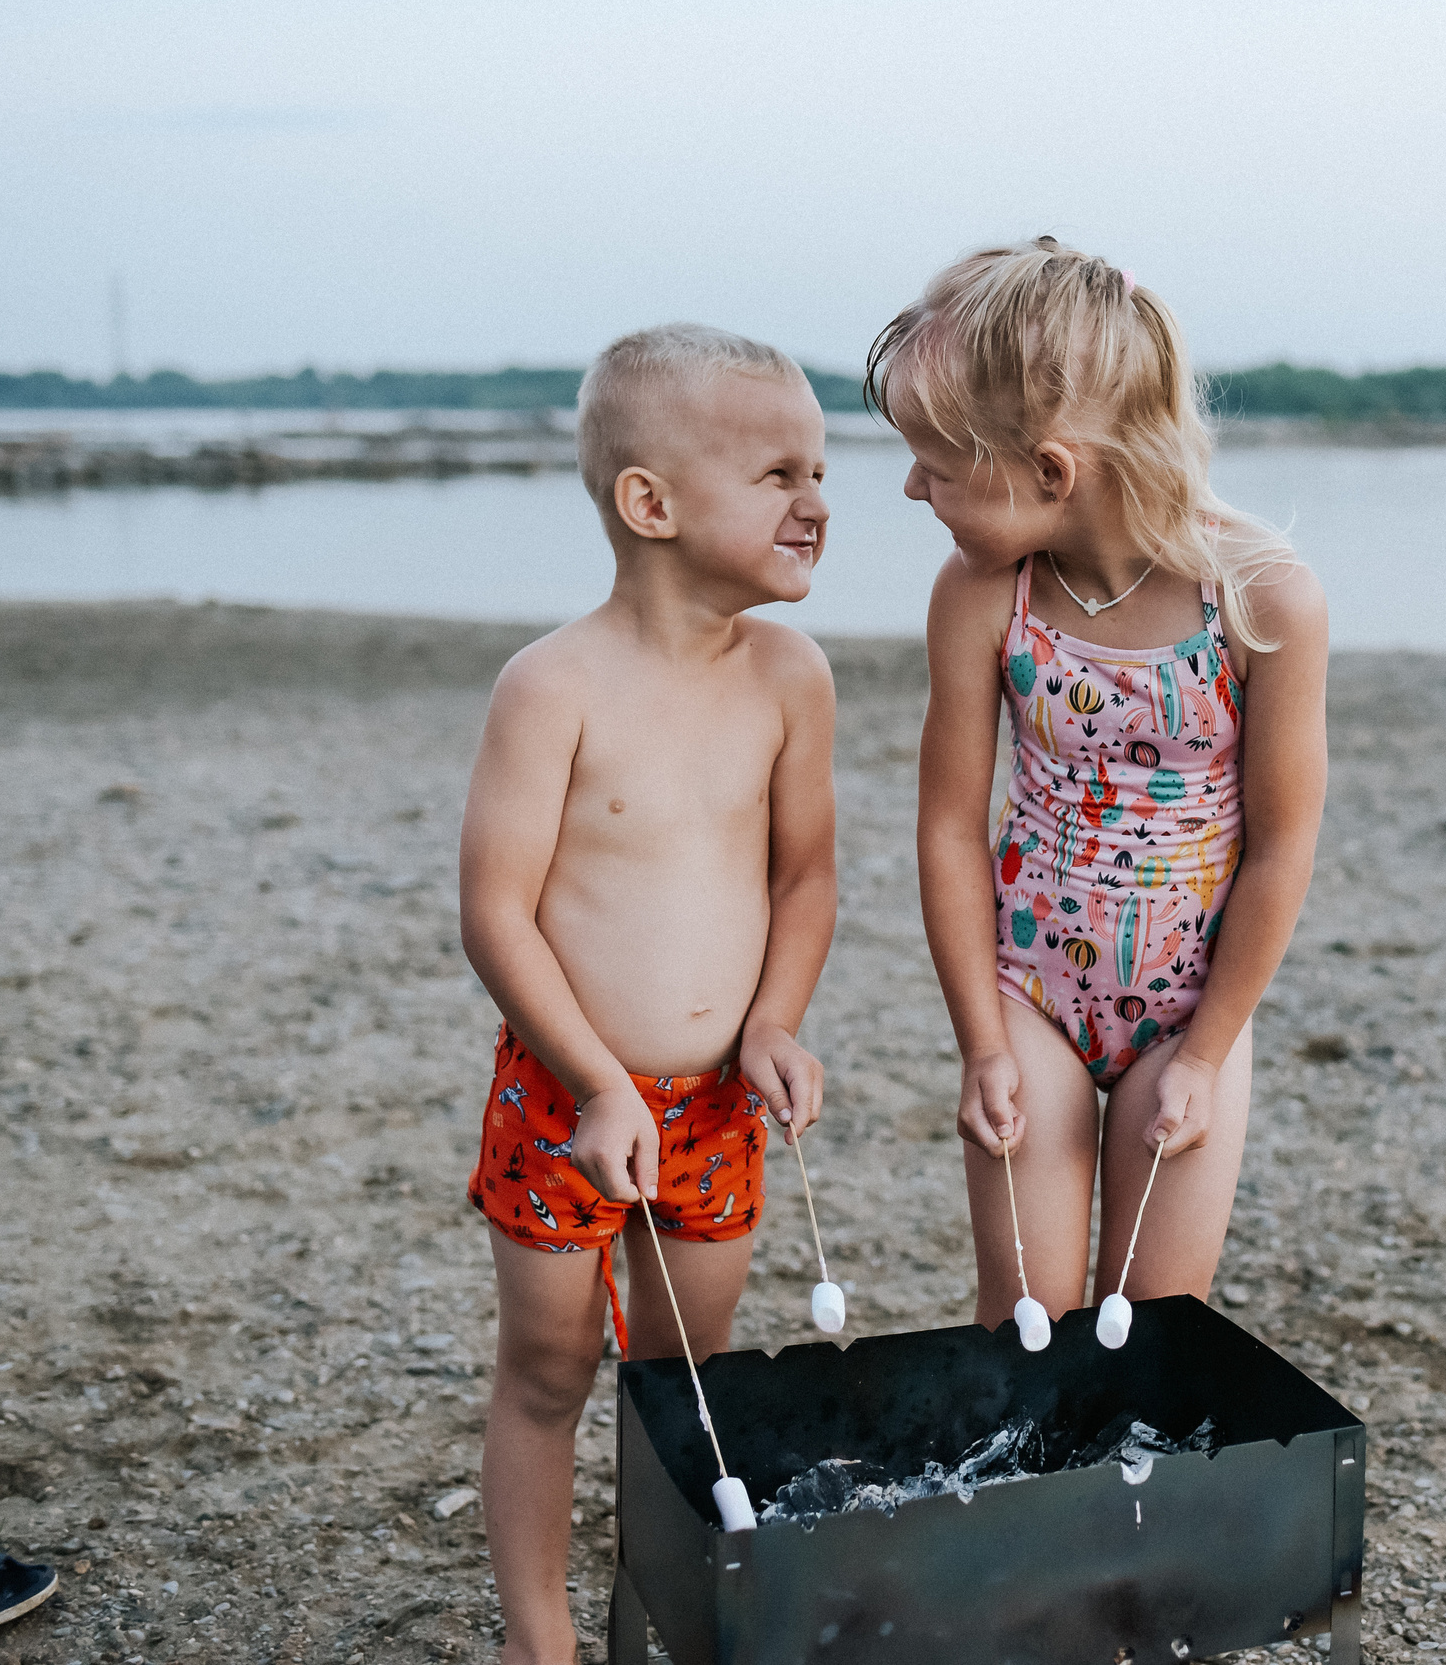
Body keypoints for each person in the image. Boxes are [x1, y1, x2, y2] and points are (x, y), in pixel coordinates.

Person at [458, 324, 836, 1665]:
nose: (819, 500)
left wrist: (777, 1017)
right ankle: (539, 1633)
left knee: (689, 1381)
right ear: (651, 503)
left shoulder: (794, 679)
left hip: (721, 1104)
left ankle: (668, 1599)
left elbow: (806, 880)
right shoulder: (550, 687)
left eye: (822, 469)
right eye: (780, 473)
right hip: (566, 1094)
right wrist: (601, 1081)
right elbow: (496, 911)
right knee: (552, 1366)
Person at [872, 237, 1329, 1333]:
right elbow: (948, 825)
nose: (911, 484)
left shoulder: (1262, 598)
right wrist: (981, 1038)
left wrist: (1208, 1052)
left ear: (1049, 471)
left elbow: (1281, 846)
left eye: (936, 460)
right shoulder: (985, 594)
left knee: (1158, 1322)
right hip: (1029, 991)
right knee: (1025, 1313)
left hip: (1192, 1005)